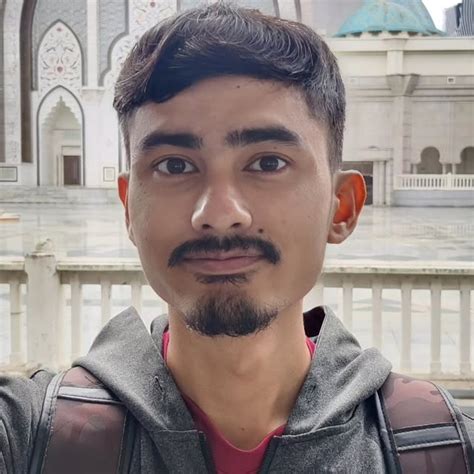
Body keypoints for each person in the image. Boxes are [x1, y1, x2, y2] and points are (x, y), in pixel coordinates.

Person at [1, 3, 473, 473]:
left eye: (268, 163)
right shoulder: (36, 438)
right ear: (129, 207)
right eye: (174, 166)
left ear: (341, 206)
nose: (219, 214)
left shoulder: (440, 451)